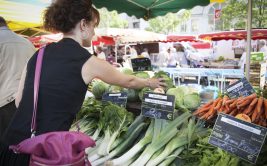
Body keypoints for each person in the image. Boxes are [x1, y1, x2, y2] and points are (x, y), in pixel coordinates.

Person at [0, 1, 165, 165]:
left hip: (13, 144)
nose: (94, 32)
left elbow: (18, 100)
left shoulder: (39, 54)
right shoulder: (88, 61)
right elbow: (128, 81)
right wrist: (150, 82)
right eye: (94, 25)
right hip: (44, 152)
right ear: (83, 25)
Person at [0, 16, 35, 139]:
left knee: (5, 150)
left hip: (4, 104)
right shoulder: (27, 42)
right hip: (27, 101)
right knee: (23, 146)